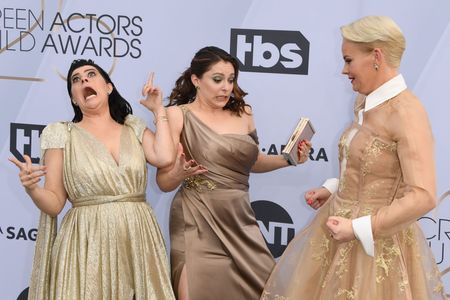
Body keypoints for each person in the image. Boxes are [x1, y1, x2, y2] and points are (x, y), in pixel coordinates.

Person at [261, 16, 446, 300]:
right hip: (337, 230)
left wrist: (359, 228)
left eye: (348, 60)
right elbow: (370, 166)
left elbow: (422, 196)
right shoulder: (365, 100)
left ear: (376, 56)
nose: (344, 70)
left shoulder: (407, 113)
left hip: (376, 245)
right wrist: (334, 189)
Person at [9, 59, 176, 299]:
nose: (84, 80)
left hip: (137, 238)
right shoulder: (61, 134)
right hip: (86, 243)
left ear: (108, 87)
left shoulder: (133, 127)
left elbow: (165, 156)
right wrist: (32, 188)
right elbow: (55, 202)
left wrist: (159, 111)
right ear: (73, 98)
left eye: (91, 74)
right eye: (76, 80)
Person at [155, 46, 311, 300]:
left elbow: (253, 162)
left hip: (239, 218)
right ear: (196, 80)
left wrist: (289, 159)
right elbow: (163, 182)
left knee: (264, 290)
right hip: (196, 217)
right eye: (217, 80)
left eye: (231, 80)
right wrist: (179, 173)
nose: (226, 87)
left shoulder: (244, 113)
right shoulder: (176, 116)